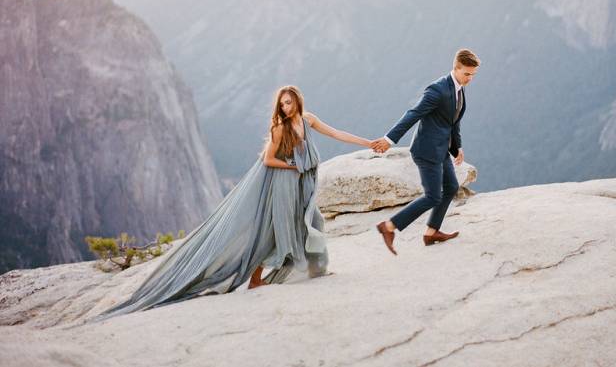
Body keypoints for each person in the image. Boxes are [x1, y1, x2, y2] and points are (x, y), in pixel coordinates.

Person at [95, 85, 374, 320]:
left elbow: (337, 133)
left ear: (297, 101)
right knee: (273, 231)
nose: (286, 107)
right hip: (283, 184)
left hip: (302, 184)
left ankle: (316, 269)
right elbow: (268, 160)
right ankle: (255, 279)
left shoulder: (308, 120)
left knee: (313, 221)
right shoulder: (280, 128)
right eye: (282, 104)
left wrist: (368, 142)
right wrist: (293, 168)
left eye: (289, 103)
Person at [372, 49, 479, 254]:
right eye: (467, 74)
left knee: (451, 187)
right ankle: (388, 227)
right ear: (455, 68)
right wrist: (389, 139)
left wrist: (458, 148)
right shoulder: (437, 90)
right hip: (427, 150)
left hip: (442, 149)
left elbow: (453, 122)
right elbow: (413, 114)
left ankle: (431, 232)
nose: (470, 79)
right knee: (432, 196)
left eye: (473, 75)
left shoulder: (459, 89)